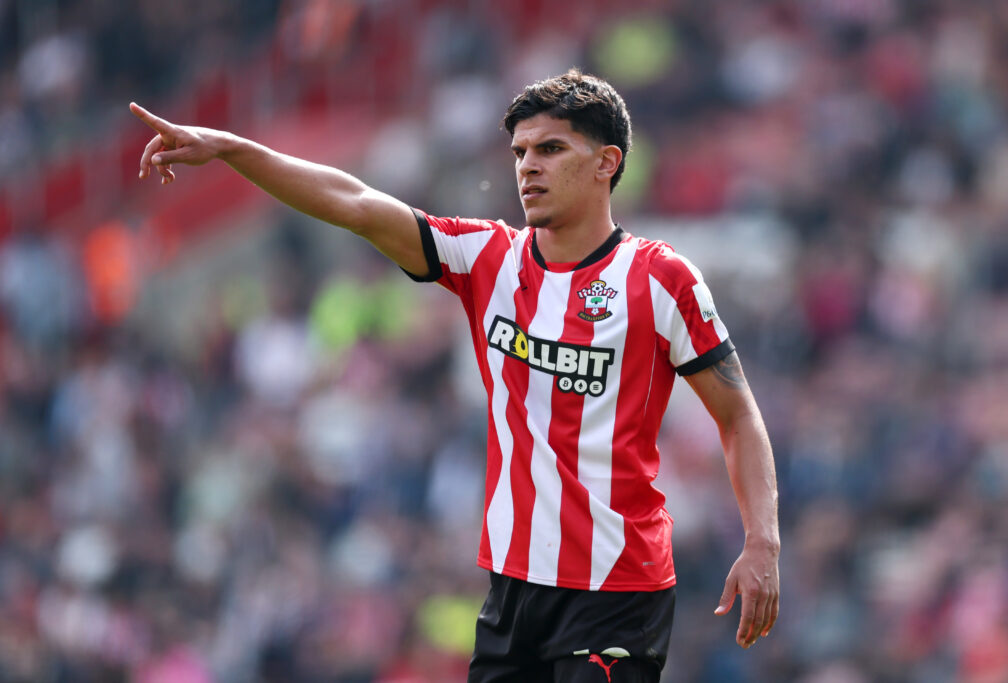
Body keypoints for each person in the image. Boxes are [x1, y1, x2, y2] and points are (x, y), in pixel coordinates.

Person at [131, 69, 779, 683]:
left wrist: (762, 542)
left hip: (618, 589)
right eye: (521, 151)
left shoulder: (661, 279)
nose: (528, 166)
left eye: (551, 148)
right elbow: (354, 203)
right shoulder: (487, 259)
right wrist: (233, 150)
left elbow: (737, 414)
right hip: (514, 589)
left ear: (607, 162)